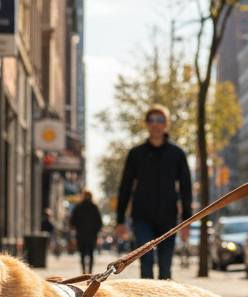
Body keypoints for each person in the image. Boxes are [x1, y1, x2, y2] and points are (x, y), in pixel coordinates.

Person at [115, 105, 192, 280]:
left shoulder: (177, 154)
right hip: (142, 218)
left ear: (166, 124)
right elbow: (125, 187)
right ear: (147, 124)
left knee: (166, 267)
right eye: (151, 120)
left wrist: (187, 221)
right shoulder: (136, 154)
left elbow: (186, 188)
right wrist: (120, 220)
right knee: (146, 261)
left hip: (169, 218)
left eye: (160, 120)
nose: (155, 124)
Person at [69, 190, 103, 275]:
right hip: (92, 235)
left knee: (82, 254)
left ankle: (84, 271)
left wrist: (76, 228)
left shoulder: (78, 207)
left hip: (81, 235)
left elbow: (72, 221)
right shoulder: (94, 207)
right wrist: (95, 231)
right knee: (91, 254)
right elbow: (99, 223)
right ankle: (90, 272)